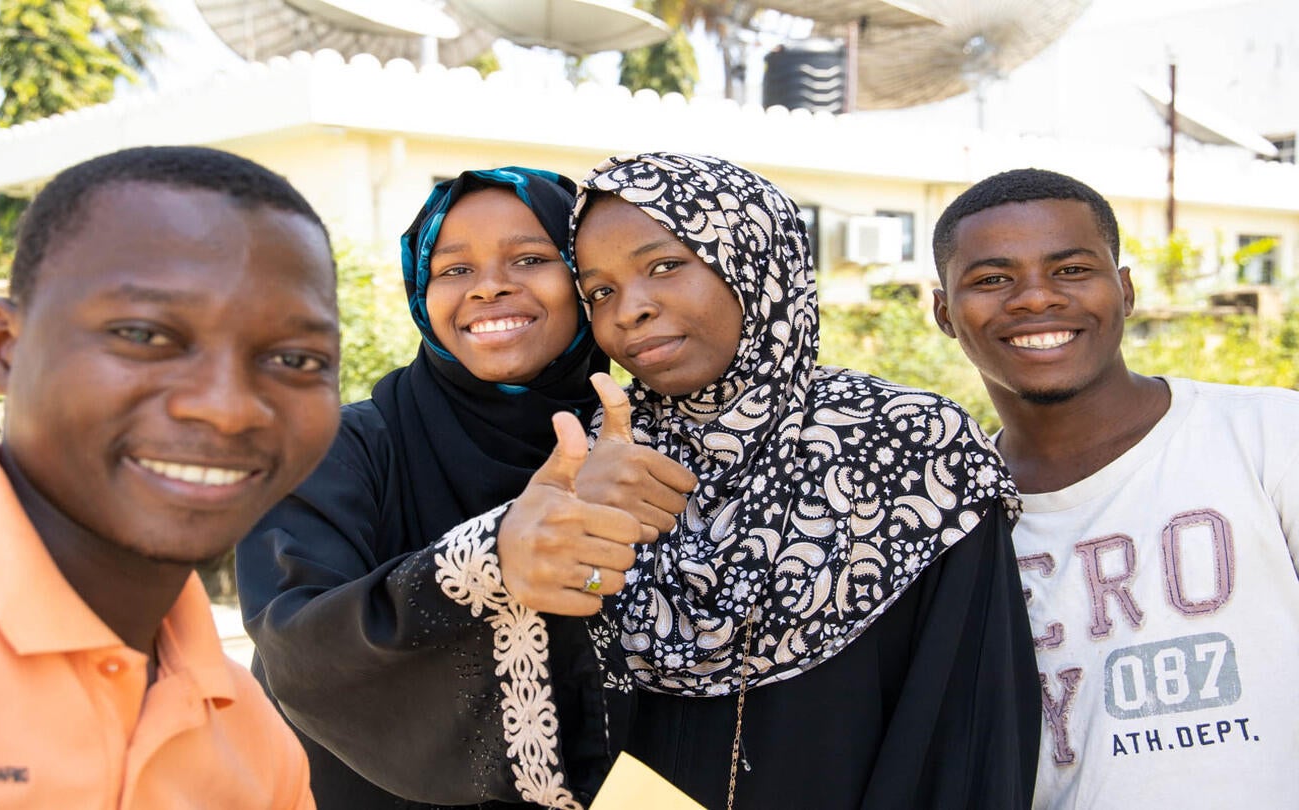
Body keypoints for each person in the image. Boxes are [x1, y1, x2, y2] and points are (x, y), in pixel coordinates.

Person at [417, 151, 1041, 810]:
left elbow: (970, 730)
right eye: (600, 291)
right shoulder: (590, 458)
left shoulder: (915, 451)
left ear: (755, 260)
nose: (629, 310)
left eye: (664, 267)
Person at [0, 146, 337, 807]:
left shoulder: (256, 746)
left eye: (295, 358)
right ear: (3, 347)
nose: (227, 409)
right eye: (143, 335)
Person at [238, 167, 691, 809]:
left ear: (585, 284)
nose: (490, 288)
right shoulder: (338, 449)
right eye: (453, 270)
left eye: (531, 258)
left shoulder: (648, 448)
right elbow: (297, 643)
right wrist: (494, 557)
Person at [931, 168, 1299, 809]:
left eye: (1071, 270)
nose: (1035, 299)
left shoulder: (1269, 435)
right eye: (992, 279)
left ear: (1124, 290)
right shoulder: (951, 518)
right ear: (943, 312)